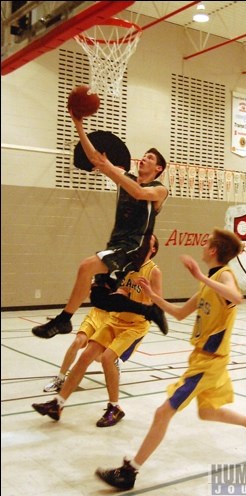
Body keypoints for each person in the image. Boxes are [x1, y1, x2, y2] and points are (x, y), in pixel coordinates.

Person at [95, 228, 246, 490]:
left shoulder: (223, 275)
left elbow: (237, 297)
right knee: (208, 411)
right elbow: (179, 313)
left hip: (209, 361)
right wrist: (153, 297)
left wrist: (200, 275)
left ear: (213, 251)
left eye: (206, 243)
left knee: (163, 412)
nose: (203, 246)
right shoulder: (208, 281)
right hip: (205, 359)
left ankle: (129, 471)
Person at [32, 111, 168, 339]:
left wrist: (111, 170)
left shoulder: (159, 190)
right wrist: (78, 125)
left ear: (158, 169)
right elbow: (95, 158)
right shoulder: (127, 178)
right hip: (116, 242)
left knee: (86, 267)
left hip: (135, 245)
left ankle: (63, 321)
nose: (144, 159)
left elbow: (138, 191)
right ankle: (149, 310)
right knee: (99, 296)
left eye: (150, 158)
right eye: (143, 156)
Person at [32, 234, 164, 427]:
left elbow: (158, 305)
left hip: (135, 325)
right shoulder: (127, 265)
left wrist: (149, 294)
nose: (142, 243)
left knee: (108, 357)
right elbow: (120, 292)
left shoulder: (154, 272)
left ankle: (115, 407)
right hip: (114, 320)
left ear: (153, 249)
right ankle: (57, 404)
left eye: (148, 242)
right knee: (86, 355)